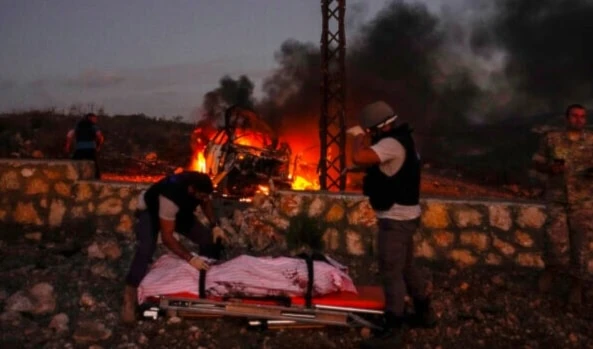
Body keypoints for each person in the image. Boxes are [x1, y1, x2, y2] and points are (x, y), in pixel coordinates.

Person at [347, 101, 436, 347]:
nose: (369, 134)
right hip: (407, 215)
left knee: (391, 272)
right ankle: (424, 312)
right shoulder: (403, 140)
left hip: (396, 219)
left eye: (370, 130)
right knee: (406, 267)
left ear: (377, 128)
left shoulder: (390, 144)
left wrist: (357, 137)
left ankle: (393, 329)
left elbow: (359, 157)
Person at [121, 170, 228, 324]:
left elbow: (206, 202)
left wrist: (214, 225)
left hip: (181, 212)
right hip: (152, 212)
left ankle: (206, 283)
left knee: (206, 239)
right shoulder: (170, 197)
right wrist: (190, 259)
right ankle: (129, 298)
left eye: (206, 196)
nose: (204, 199)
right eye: (202, 196)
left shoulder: (199, 186)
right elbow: (167, 238)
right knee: (146, 250)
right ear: (192, 190)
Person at [532, 104, 593, 306]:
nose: (579, 120)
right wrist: (550, 168)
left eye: (582, 117)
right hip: (557, 198)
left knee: (581, 246)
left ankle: (577, 285)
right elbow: (536, 161)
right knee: (554, 240)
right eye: (574, 116)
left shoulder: (592, 140)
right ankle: (550, 270)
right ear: (567, 118)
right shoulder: (552, 139)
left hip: (584, 201)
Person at [65, 113, 104, 179]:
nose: (96, 120)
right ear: (90, 118)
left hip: (79, 149)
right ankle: (97, 178)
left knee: (74, 163)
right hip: (90, 148)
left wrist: (67, 146)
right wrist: (98, 145)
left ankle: (69, 175)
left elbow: (69, 135)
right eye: (94, 118)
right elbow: (100, 137)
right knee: (95, 164)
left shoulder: (78, 126)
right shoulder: (93, 127)